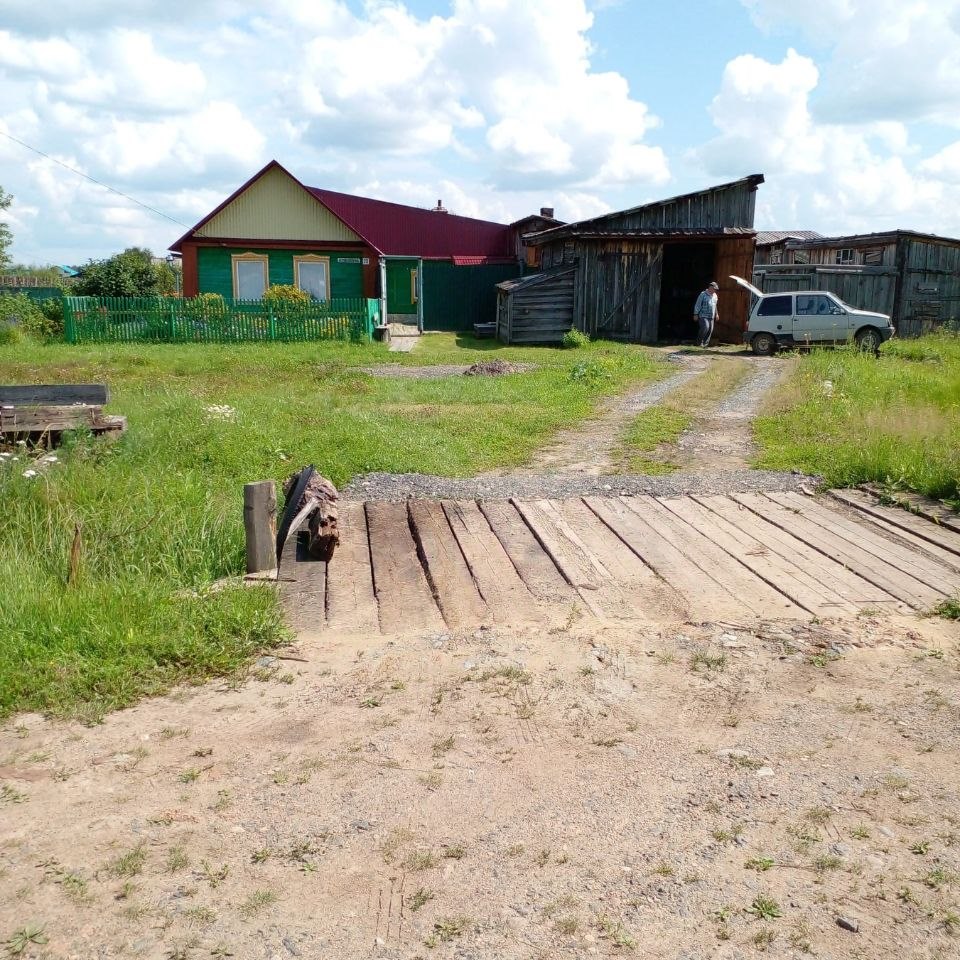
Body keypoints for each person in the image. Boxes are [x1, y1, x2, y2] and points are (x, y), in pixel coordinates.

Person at [693, 281, 719, 347]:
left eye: (716, 289)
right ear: (710, 287)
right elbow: (698, 304)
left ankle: (705, 344)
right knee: (705, 327)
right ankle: (699, 342)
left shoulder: (715, 295)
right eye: (714, 289)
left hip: (711, 316)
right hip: (703, 315)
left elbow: (715, 305)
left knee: (710, 330)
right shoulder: (703, 294)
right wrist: (695, 314)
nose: (715, 290)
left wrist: (717, 314)